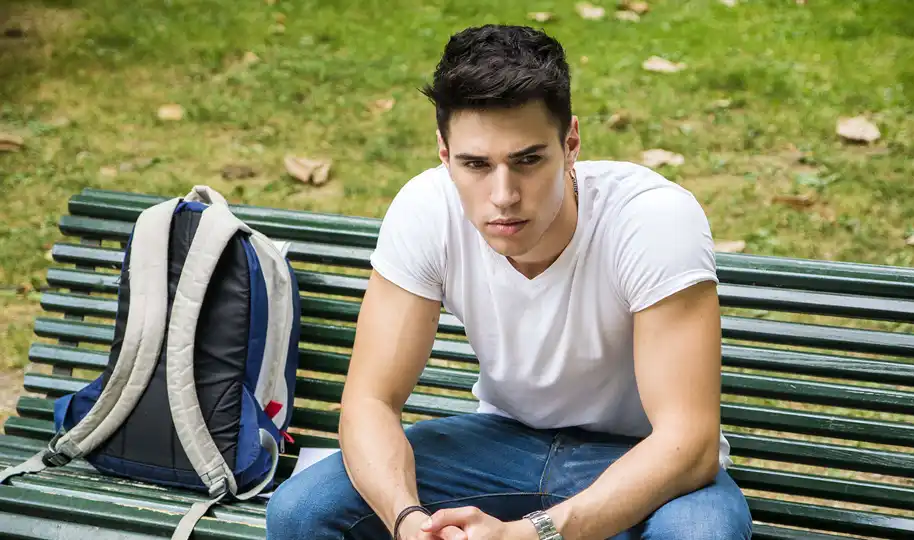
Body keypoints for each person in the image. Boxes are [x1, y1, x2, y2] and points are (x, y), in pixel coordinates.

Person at [266, 24, 752, 540]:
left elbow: (689, 443)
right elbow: (370, 402)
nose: (503, 195)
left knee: (702, 534)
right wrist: (407, 521)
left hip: (640, 452)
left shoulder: (651, 220)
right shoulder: (426, 209)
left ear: (570, 143)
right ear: (443, 153)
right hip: (499, 444)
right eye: (476, 164)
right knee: (302, 511)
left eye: (528, 160)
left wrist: (530, 534)